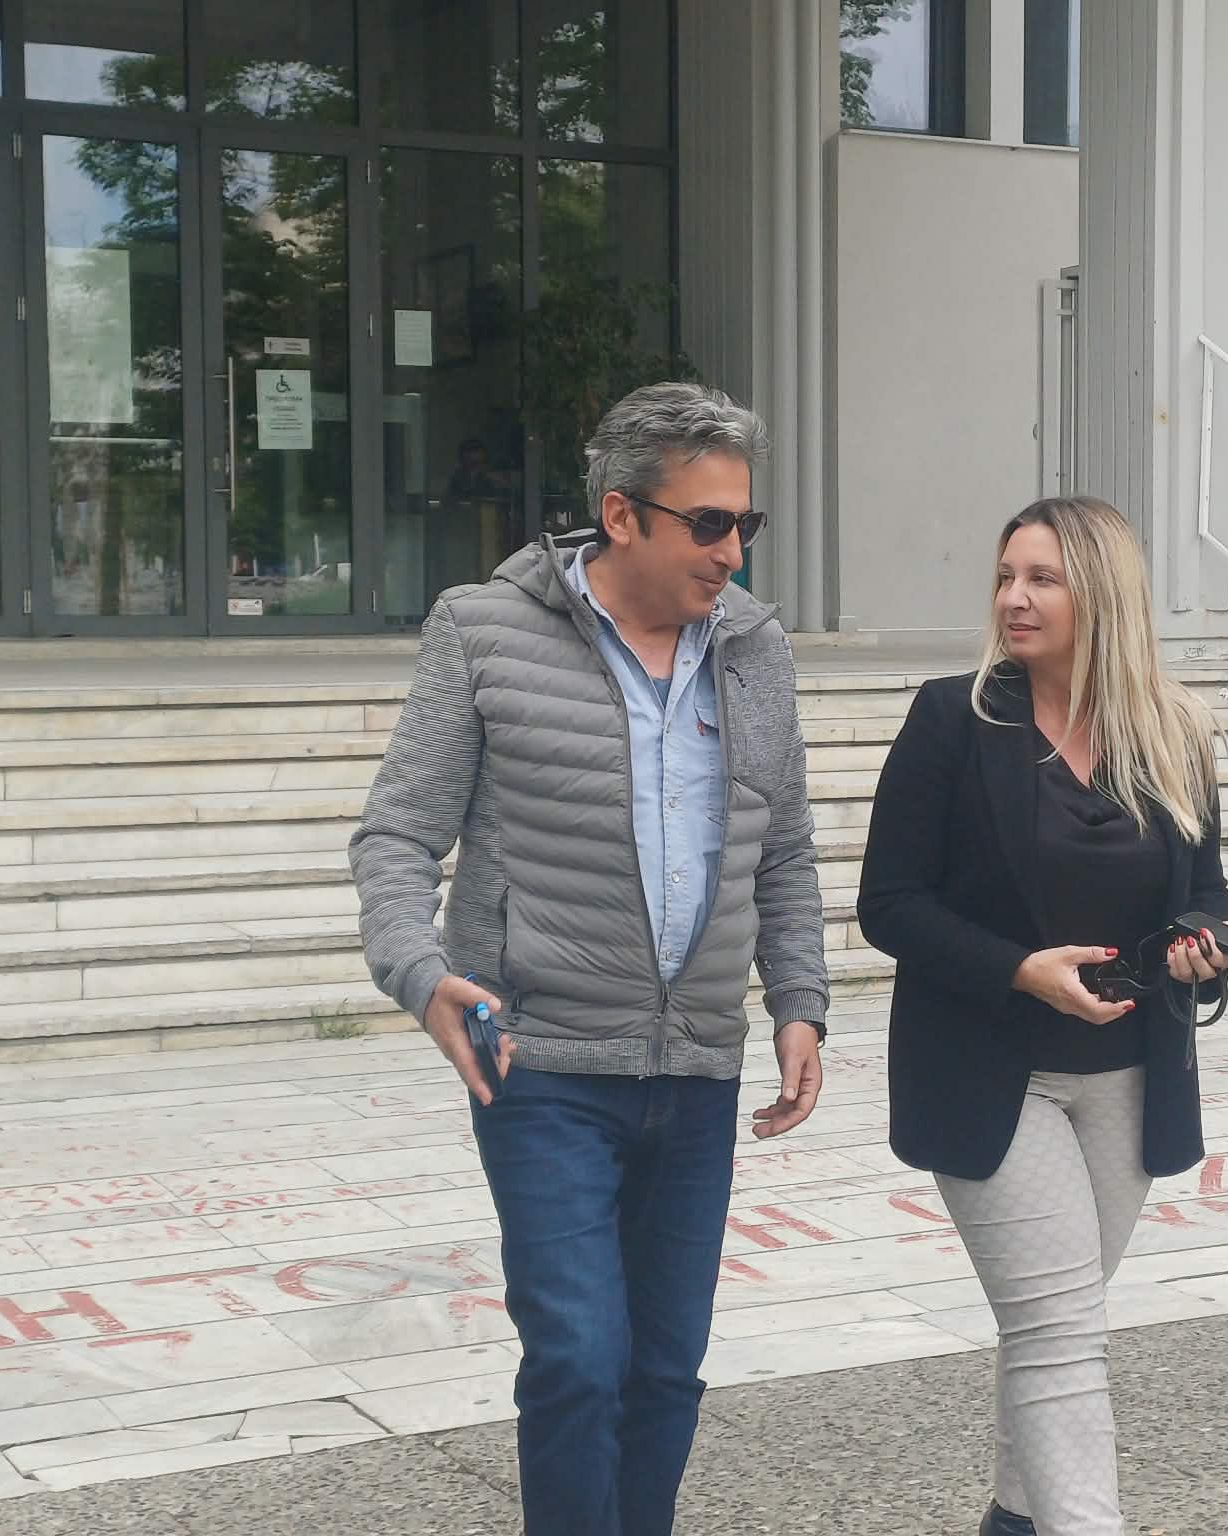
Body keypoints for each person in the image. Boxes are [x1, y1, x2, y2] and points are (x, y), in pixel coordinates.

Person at [350, 381, 830, 1536]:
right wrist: (419, 972)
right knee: (576, 1357)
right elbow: (396, 834)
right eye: (707, 523)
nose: (731, 551)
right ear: (620, 515)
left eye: (745, 524)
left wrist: (798, 1002)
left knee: (663, 1370)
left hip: (697, 1068)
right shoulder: (482, 631)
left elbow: (783, 847)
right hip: (543, 1064)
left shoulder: (752, 648)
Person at [856, 496, 1228, 1536]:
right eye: (1005, 577)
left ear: (1102, 595)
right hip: (989, 1072)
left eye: (1042, 578)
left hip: (1129, 1076)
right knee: (1058, 1333)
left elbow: (1201, 890)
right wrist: (1018, 970)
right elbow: (888, 904)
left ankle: (1014, 1520)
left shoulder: (1172, 731)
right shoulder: (953, 719)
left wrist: (1204, 943)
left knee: (1055, 1326)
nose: (1013, 599)